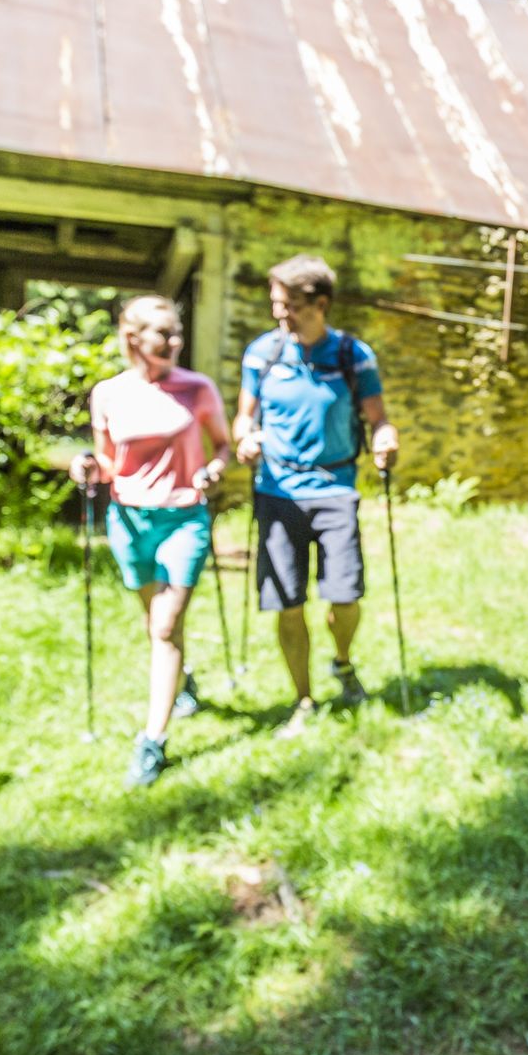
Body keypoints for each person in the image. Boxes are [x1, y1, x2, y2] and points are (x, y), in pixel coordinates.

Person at [233, 254, 399, 734]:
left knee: (345, 596)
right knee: (288, 602)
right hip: (277, 492)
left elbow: (379, 419)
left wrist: (386, 440)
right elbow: (244, 418)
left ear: (320, 304)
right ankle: (303, 698)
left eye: (288, 305)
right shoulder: (262, 354)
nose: (278, 313)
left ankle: (342, 661)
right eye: (275, 303)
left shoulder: (352, 355)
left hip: (335, 491)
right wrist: (245, 439)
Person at [73, 295, 233, 787]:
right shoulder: (108, 393)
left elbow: (223, 446)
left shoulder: (197, 388)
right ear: (133, 338)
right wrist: (88, 467)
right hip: (129, 521)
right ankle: (183, 682)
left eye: (176, 332)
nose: (175, 341)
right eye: (164, 333)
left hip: (184, 518)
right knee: (156, 622)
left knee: (165, 626)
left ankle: (153, 740)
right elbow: (108, 462)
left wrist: (214, 469)